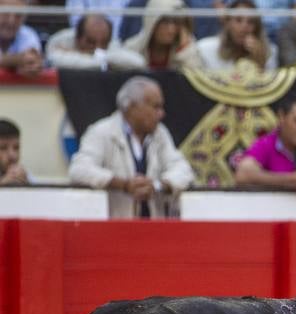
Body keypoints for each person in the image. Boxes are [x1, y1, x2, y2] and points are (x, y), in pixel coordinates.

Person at [68, 76, 195, 218]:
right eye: (155, 107)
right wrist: (123, 185)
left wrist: (157, 185)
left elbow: (183, 170)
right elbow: (79, 170)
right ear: (131, 107)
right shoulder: (101, 132)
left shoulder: (160, 133)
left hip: (154, 230)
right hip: (113, 229)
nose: (161, 114)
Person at [194, 0, 278, 70]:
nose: (244, 27)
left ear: (257, 27)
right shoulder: (205, 48)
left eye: (251, 22)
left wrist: (260, 62)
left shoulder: (270, 52)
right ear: (227, 23)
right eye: (238, 20)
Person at [124, 0, 205, 69]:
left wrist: (183, 49)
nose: (171, 30)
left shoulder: (189, 50)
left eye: (176, 22)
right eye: (165, 22)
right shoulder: (132, 49)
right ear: (151, 22)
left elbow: (196, 78)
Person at [46, 13, 144, 69]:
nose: (98, 47)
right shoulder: (60, 40)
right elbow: (53, 60)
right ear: (78, 38)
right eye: (91, 42)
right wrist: (106, 60)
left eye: (104, 43)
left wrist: (94, 56)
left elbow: (138, 62)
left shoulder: (113, 43)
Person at [1, 1, 45, 77]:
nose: (11, 21)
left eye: (18, 15)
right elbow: (24, 59)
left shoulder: (28, 34)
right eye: (6, 14)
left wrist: (31, 66)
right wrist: (18, 61)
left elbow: (31, 61)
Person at [0, 119, 29, 186]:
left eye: (16, 147)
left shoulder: (25, 176)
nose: (12, 155)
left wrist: (28, 186)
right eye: (3, 148)